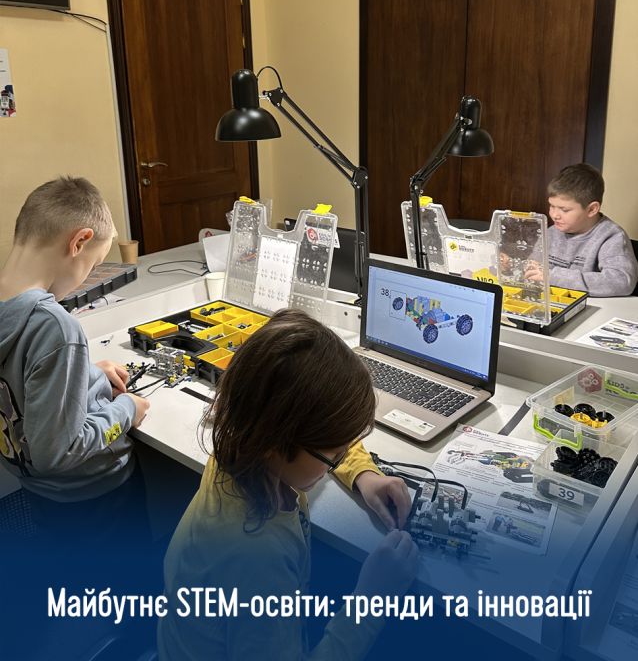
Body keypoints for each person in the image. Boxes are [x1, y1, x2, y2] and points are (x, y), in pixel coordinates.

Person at [158, 309, 418, 660]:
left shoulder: (241, 443)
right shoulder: (258, 559)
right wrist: (373, 601)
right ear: (276, 439)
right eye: (335, 455)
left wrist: (363, 473)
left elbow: (320, 427)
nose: (341, 458)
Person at [0, 177, 150, 531]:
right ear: (79, 242)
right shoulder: (54, 326)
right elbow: (61, 452)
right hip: (96, 496)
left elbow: (18, 388)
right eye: (93, 266)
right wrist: (127, 409)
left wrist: (87, 373)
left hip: (39, 490)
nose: (87, 278)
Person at [525, 163, 637, 297]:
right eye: (552, 206)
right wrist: (512, 267)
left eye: (564, 210)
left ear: (592, 209)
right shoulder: (552, 231)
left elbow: (621, 281)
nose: (554, 215)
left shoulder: (611, 236)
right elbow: (534, 269)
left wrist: (552, 276)